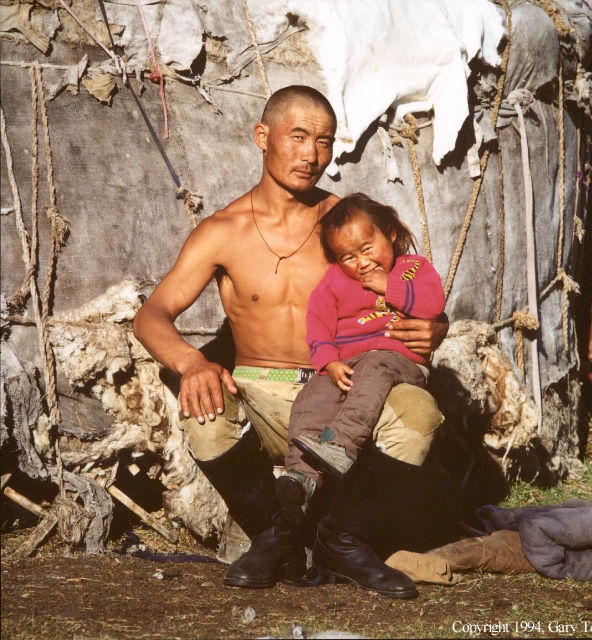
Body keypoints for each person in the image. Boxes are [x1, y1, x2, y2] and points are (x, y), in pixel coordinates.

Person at [133, 85, 449, 600]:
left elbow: (417, 284)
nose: (311, 155)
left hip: (346, 387)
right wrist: (192, 363)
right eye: (298, 136)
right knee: (205, 412)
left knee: (417, 417)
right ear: (263, 136)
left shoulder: (347, 227)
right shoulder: (223, 230)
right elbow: (152, 315)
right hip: (264, 393)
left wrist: (437, 326)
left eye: (324, 141)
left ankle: (340, 539)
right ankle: (277, 538)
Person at [281, 193, 445, 507]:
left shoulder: (413, 269)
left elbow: (433, 305)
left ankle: (341, 445)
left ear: (391, 234)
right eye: (348, 257)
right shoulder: (335, 280)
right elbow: (317, 320)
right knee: (312, 397)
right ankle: (300, 479)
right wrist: (328, 362)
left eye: (367, 248)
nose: (362, 262)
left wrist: (390, 287)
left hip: (398, 359)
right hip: (349, 362)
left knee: (375, 366)